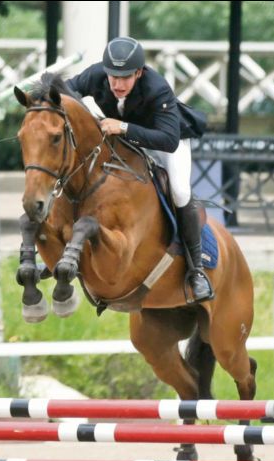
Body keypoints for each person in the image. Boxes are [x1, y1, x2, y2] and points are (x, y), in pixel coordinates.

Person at [66, 36, 214, 303]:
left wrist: (121, 127)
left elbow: (167, 141)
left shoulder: (157, 88)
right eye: (113, 77)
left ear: (139, 73)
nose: (118, 84)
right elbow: (66, 91)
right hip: (122, 136)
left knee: (180, 190)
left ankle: (196, 270)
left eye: (125, 78)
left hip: (166, 140)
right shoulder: (97, 74)